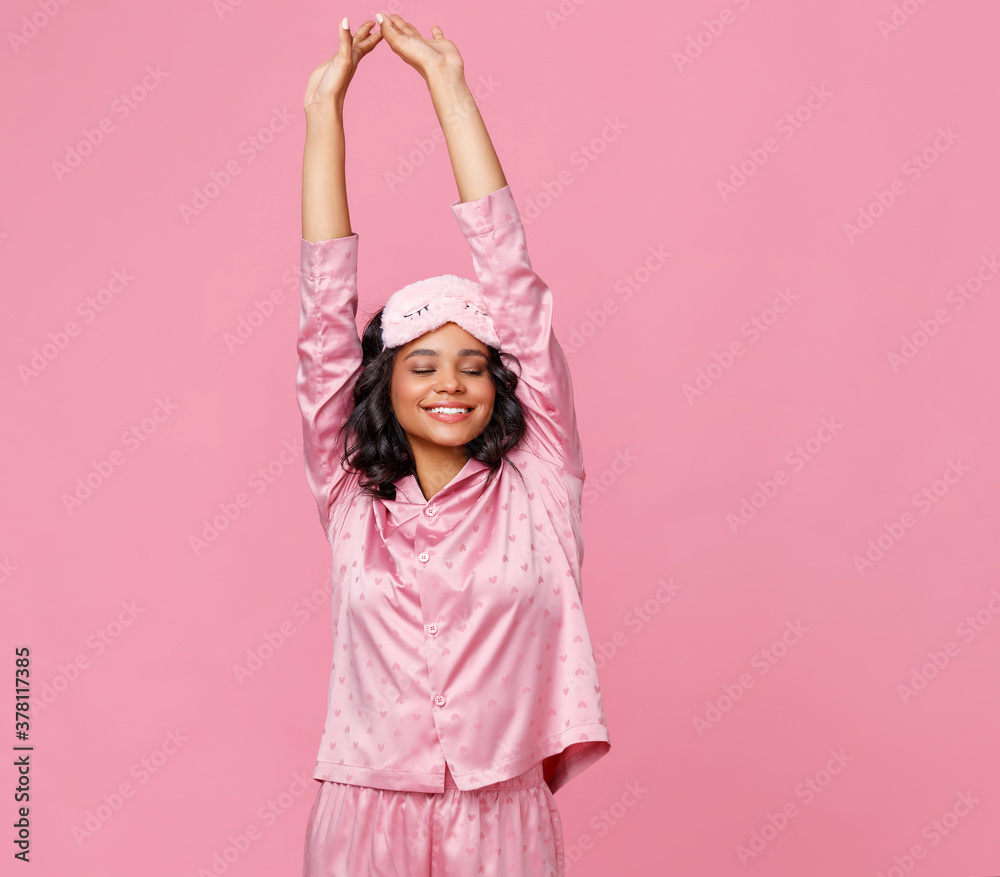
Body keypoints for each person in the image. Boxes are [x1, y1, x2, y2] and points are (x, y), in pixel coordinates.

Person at [297, 13, 610, 876]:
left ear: (500, 383)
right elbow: (323, 321)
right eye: (424, 364)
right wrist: (327, 113)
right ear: (383, 385)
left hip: (499, 816)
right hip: (363, 812)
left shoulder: (540, 480)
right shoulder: (350, 492)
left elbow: (514, 281)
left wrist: (450, 89)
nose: (451, 383)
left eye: (473, 366)